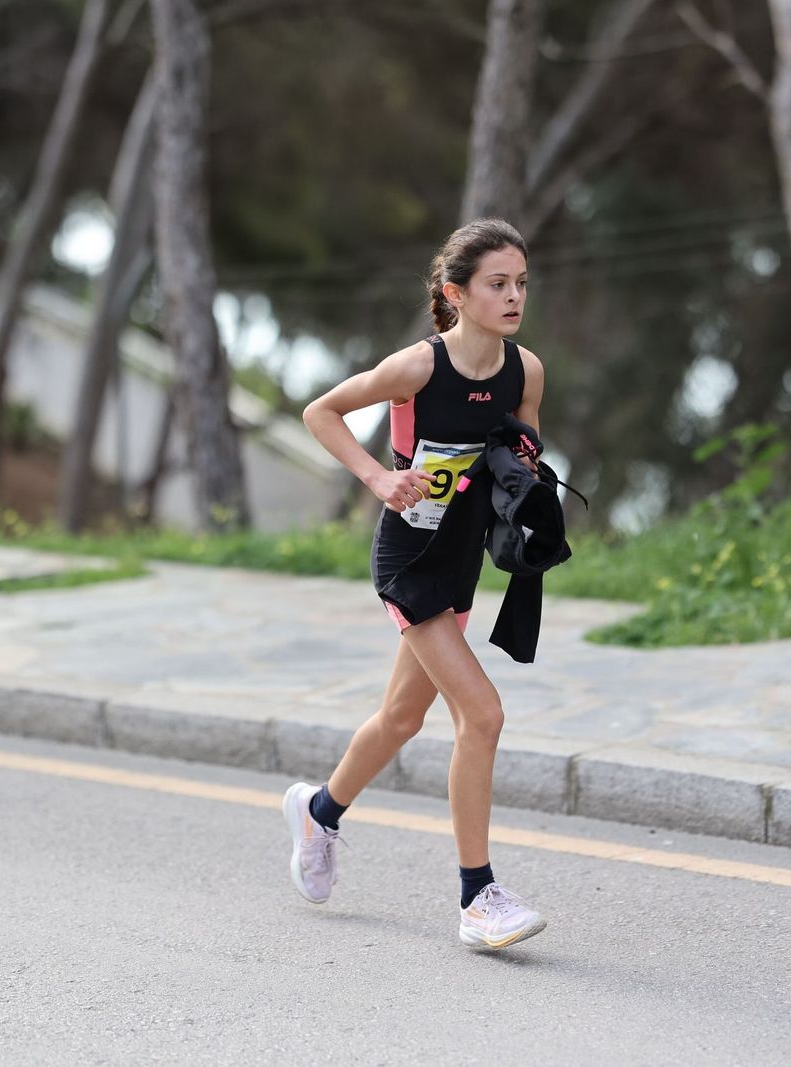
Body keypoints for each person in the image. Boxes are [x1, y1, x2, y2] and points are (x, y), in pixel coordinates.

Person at [287, 217, 549, 950]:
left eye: (521, 282)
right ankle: (477, 897)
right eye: (497, 283)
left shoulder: (524, 370)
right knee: (483, 713)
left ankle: (318, 811)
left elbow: (524, 439)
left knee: (402, 718)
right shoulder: (417, 367)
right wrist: (378, 476)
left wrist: (523, 470)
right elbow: (321, 411)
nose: (513, 295)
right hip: (408, 560)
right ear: (455, 293)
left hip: (462, 559)